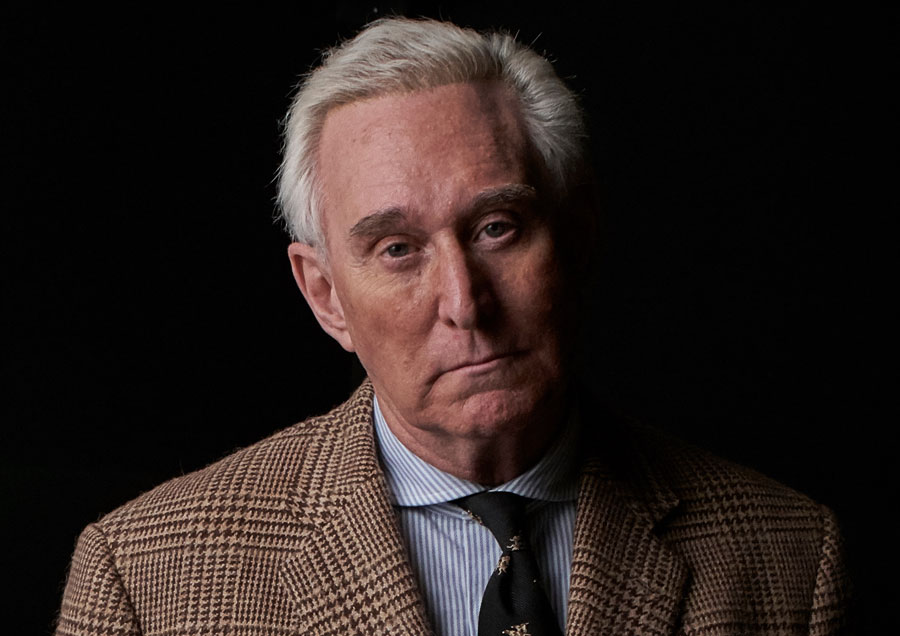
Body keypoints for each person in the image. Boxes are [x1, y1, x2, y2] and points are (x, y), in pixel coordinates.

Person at [56, 17, 851, 636]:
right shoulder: (145, 579)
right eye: (398, 249)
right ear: (326, 295)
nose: (465, 303)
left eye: (497, 227)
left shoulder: (788, 558)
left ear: (576, 240)